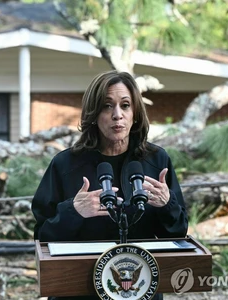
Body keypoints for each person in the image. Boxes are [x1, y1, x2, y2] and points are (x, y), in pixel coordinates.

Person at [32, 70, 188, 300]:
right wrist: (74, 212)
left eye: (125, 105)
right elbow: (42, 237)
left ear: (135, 113)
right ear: (94, 113)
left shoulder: (156, 161)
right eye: (107, 106)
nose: (117, 115)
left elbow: (178, 232)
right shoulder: (65, 164)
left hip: (140, 288)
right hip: (78, 290)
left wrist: (167, 204)